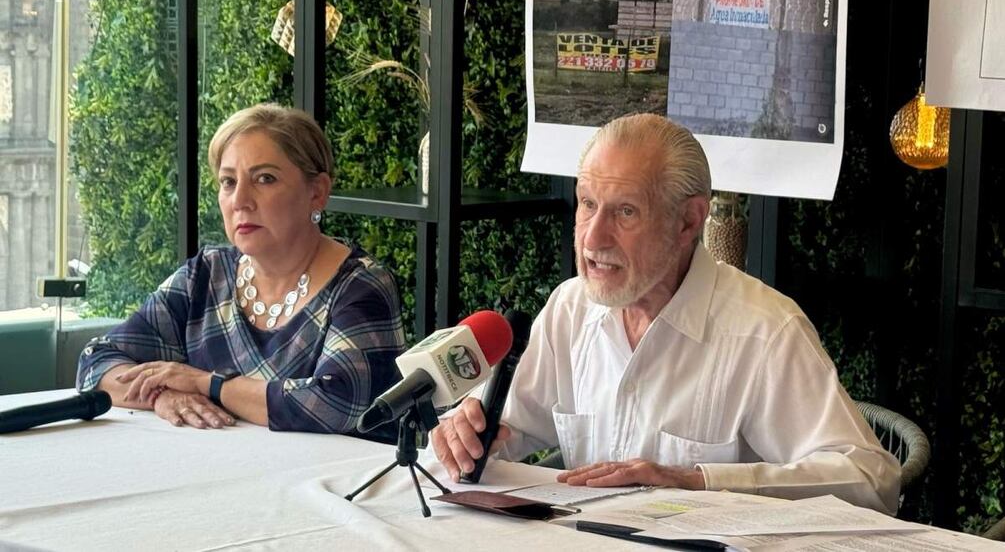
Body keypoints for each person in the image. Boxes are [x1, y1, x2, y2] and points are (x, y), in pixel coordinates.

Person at [431, 113, 901, 514]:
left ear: (689, 222)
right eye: (588, 205)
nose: (593, 239)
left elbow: (872, 480)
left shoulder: (764, 330)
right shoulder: (570, 307)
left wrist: (697, 480)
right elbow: (515, 426)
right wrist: (473, 434)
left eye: (626, 212)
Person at [77, 103, 406, 434]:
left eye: (265, 179)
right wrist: (163, 394)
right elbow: (97, 360)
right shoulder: (206, 274)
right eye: (228, 181)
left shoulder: (361, 285)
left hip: (342, 482)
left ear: (317, 192)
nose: (240, 200)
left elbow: (334, 404)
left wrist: (208, 385)